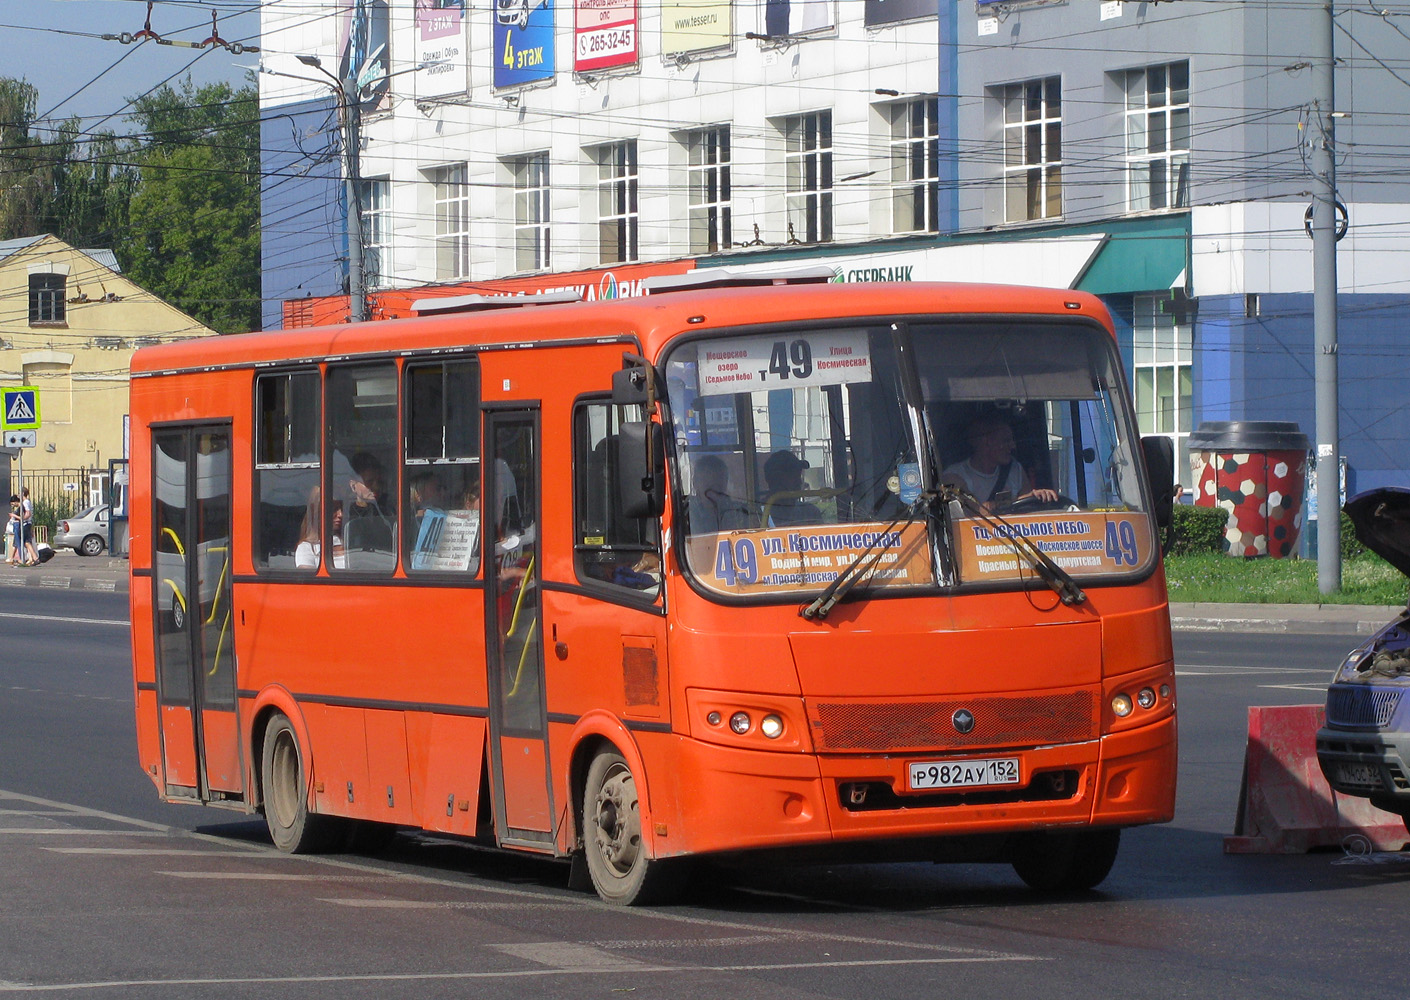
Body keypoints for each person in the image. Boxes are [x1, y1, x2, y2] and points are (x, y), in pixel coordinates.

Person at [941, 415, 1058, 507]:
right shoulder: (954, 477)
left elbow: (1028, 508)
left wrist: (1038, 497)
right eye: (1006, 441)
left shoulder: (1015, 470)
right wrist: (1016, 501)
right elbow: (976, 516)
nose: (1013, 446)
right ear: (986, 442)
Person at [688, 454, 749, 533]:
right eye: (707, 482)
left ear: (726, 482)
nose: (714, 490)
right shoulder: (685, 515)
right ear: (695, 483)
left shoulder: (740, 512)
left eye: (718, 483)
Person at [761, 450, 823, 527]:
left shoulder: (810, 513)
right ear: (775, 479)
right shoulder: (755, 513)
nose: (799, 482)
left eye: (798, 476)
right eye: (792, 477)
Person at [294, 487, 345, 570]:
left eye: (341, 509)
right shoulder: (306, 548)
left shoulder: (348, 542)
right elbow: (309, 580)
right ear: (318, 512)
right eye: (334, 509)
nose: (340, 514)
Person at [18, 487, 40, 566]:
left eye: (20, 493)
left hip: (26, 523)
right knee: (27, 542)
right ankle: (31, 559)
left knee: (27, 542)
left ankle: (35, 558)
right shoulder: (28, 502)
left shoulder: (25, 502)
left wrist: (22, 519)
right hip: (28, 523)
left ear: (23, 494)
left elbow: (28, 513)